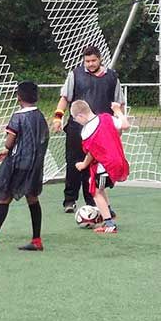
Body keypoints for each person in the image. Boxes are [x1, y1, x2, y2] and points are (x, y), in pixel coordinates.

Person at [0, 81, 49, 253]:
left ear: (18, 97)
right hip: (35, 165)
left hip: (19, 164)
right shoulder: (40, 116)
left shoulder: (18, 116)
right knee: (32, 198)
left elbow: (10, 140)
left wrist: (6, 149)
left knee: (4, 198)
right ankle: (36, 240)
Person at [51, 45, 123, 213]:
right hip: (76, 129)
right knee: (73, 163)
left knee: (95, 165)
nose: (90, 64)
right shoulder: (75, 75)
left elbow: (119, 104)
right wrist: (57, 118)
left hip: (101, 131)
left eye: (93, 60)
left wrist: (119, 125)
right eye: (87, 61)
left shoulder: (112, 77)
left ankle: (93, 201)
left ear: (100, 59)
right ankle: (70, 200)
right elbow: (64, 98)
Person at [70, 99, 129, 235]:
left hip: (105, 165)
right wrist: (117, 110)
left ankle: (109, 223)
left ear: (80, 116)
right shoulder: (107, 118)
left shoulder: (86, 132)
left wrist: (84, 164)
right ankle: (109, 212)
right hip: (119, 161)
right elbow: (125, 125)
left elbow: (92, 152)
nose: (76, 122)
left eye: (75, 119)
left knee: (95, 192)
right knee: (96, 185)